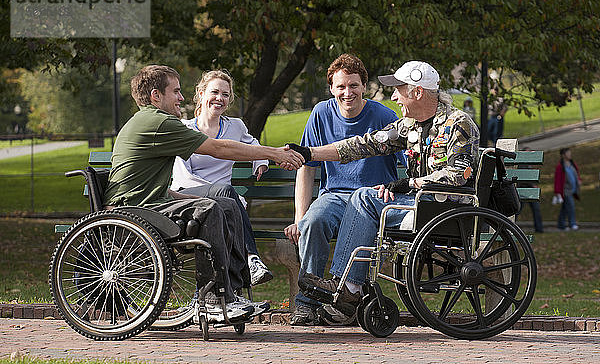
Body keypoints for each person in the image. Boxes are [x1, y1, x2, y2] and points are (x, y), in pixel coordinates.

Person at [103, 65, 304, 323]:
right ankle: (211, 299)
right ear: (156, 95)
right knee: (210, 209)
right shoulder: (159, 122)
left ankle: (229, 294)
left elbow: (153, 185)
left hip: (149, 203)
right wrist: (273, 153)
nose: (181, 98)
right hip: (135, 211)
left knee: (225, 204)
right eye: (175, 91)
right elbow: (218, 148)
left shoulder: (153, 122)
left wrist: (186, 197)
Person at [290, 61, 480, 316]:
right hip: (418, 205)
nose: (393, 97)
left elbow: (459, 174)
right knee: (363, 198)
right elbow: (362, 145)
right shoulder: (409, 126)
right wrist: (309, 152)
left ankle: (349, 287)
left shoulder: (458, 123)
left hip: (444, 208)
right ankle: (348, 288)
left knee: (365, 197)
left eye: (398, 90)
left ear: (417, 92)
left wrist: (409, 183)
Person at [283, 53, 401, 326]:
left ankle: (343, 297)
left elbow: (409, 159)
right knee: (313, 222)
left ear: (364, 87)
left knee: (362, 215)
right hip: (334, 195)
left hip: (371, 199)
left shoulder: (385, 116)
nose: (348, 93)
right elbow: (306, 165)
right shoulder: (321, 113)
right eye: (341, 86)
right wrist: (299, 216)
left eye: (354, 86)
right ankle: (307, 303)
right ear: (331, 88)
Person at [170, 70, 273, 286]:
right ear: (201, 93)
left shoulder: (235, 127)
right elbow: (183, 177)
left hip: (225, 203)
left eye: (225, 95)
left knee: (226, 201)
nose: (220, 98)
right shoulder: (184, 129)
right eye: (215, 92)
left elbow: (252, 144)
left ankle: (229, 293)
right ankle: (252, 259)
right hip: (188, 196)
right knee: (225, 193)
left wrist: (260, 161)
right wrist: (220, 195)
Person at [554, 147, 581, 231]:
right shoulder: (560, 166)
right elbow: (557, 180)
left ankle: (561, 225)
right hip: (566, 191)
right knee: (571, 206)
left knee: (565, 208)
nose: (569, 155)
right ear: (563, 155)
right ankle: (572, 224)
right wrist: (557, 192)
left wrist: (579, 180)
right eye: (567, 153)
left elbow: (576, 174)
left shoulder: (572, 164)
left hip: (572, 189)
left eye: (570, 153)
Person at [518, 146, 543, 233]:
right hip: (523, 190)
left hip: (529, 189)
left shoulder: (528, 165)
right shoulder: (522, 165)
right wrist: (532, 185)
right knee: (518, 209)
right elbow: (523, 178)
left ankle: (539, 228)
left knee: (536, 209)